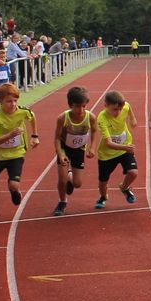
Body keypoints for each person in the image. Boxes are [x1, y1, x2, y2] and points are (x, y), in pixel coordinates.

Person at [0, 83, 38, 221]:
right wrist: (11, 135)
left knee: (14, 184)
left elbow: (32, 116)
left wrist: (35, 136)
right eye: (9, 101)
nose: (13, 104)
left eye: (15, 100)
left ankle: (14, 191)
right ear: (0, 101)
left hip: (16, 153)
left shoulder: (23, 111)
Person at [53, 86, 96, 216]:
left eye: (84, 106)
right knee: (62, 180)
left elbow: (94, 131)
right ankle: (62, 201)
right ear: (70, 105)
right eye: (77, 106)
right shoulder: (62, 118)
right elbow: (57, 138)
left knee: (77, 184)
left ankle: (70, 176)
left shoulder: (90, 117)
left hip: (79, 150)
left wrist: (92, 147)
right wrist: (60, 154)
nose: (81, 110)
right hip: (64, 148)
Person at [93, 90, 139, 209]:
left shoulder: (125, 106)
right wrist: (125, 147)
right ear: (105, 105)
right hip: (107, 154)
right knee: (103, 182)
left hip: (124, 148)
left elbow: (128, 107)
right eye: (114, 109)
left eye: (120, 109)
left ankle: (124, 188)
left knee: (133, 172)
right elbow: (108, 143)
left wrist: (132, 119)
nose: (118, 112)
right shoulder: (102, 118)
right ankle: (103, 197)